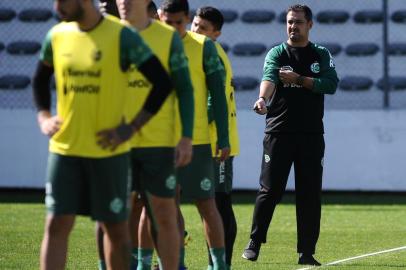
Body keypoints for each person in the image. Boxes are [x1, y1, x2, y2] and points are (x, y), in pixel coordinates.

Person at [32, 0, 173, 269]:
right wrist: (44, 117)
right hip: (65, 150)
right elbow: (39, 79)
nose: (56, 6)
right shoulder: (57, 35)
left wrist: (131, 128)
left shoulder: (122, 36)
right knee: (57, 224)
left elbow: (162, 83)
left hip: (109, 153)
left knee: (116, 230)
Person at [96, 0, 194, 270]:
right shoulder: (103, 33)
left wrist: (185, 137)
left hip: (158, 143)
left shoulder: (166, 37)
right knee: (113, 216)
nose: (125, 1)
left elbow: (184, 89)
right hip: (116, 144)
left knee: (163, 215)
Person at [241, 4, 339, 266]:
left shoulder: (320, 54)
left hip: (310, 135)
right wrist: (262, 99)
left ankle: (306, 252)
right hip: (278, 132)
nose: (292, 27)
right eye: (289, 22)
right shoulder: (277, 52)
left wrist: (299, 79)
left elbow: (331, 84)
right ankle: (254, 242)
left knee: (309, 194)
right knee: (269, 190)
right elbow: (269, 77)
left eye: (297, 22)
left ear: (310, 24)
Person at [158, 0, 230, 269]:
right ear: (161, 18)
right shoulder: (149, 45)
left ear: (187, 19)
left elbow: (218, 97)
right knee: (167, 205)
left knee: (207, 205)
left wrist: (223, 138)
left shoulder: (204, 47)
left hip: (197, 140)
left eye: (179, 22)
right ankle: (176, 263)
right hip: (158, 141)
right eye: (168, 22)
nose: (174, 27)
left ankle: (220, 265)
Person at [190, 6, 239, 270]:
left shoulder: (212, 55)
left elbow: (214, 100)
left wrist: (188, 125)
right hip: (203, 140)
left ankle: (221, 263)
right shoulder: (197, 51)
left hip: (215, 143)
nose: (195, 31)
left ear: (216, 33)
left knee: (219, 204)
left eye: (203, 28)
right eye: (195, 25)